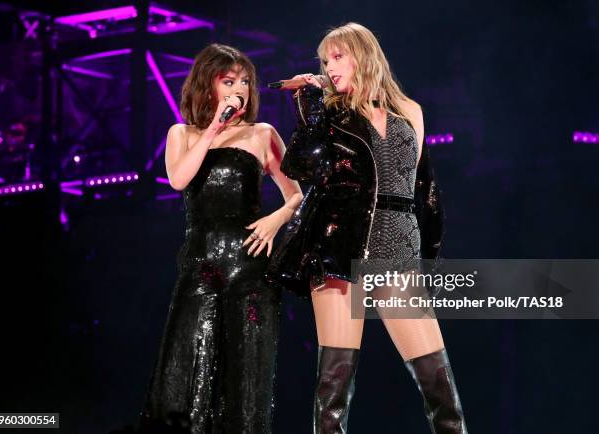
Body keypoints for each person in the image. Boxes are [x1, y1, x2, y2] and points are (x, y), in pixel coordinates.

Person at [265, 23, 468, 433]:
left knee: (437, 382)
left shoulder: (410, 112)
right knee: (335, 385)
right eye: (325, 60)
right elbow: (300, 167)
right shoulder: (330, 113)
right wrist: (311, 107)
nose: (330, 66)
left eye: (338, 56)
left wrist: (426, 256)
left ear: (364, 55)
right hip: (340, 246)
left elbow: (424, 189)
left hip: (397, 246)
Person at [139, 43, 303, 433]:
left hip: (249, 268)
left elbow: (296, 194)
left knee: (247, 381)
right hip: (200, 267)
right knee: (186, 376)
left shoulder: (262, 134)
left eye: (245, 81)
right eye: (229, 81)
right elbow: (179, 178)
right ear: (206, 85)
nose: (240, 89)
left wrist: (275, 220)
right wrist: (214, 127)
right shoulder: (182, 133)